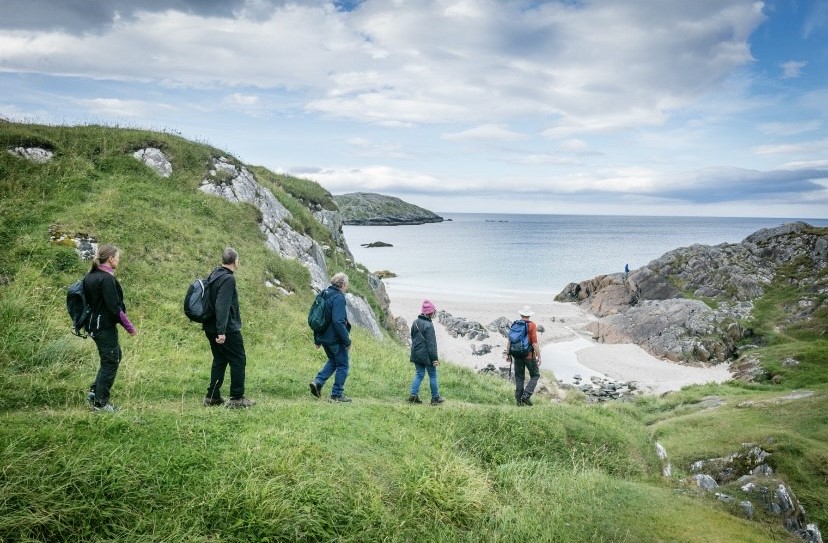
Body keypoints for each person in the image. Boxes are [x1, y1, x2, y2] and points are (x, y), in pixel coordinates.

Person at [83, 244, 136, 412]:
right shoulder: (107, 279)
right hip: (103, 326)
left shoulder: (90, 276)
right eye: (118, 257)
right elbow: (115, 308)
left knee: (114, 356)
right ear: (111, 258)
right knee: (111, 360)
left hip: (93, 324)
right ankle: (101, 403)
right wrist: (130, 327)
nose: (119, 260)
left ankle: (94, 392)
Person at [203, 247, 255, 408]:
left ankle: (212, 396)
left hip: (210, 326)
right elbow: (222, 306)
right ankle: (237, 398)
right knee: (239, 359)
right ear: (235, 261)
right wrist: (222, 331)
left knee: (220, 360)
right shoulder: (228, 279)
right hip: (226, 329)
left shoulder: (214, 275)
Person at [309, 272, 352, 402]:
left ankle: (318, 382)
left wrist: (317, 339)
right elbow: (338, 321)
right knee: (343, 365)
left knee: (333, 361)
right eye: (346, 284)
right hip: (334, 339)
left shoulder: (323, 293)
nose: (346, 286)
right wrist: (347, 341)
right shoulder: (339, 298)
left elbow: (316, 317)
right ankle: (337, 395)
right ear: (342, 284)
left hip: (323, 337)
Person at [408, 300, 444, 405]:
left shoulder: (415, 322)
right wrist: (435, 359)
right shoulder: (429, 325)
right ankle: (435, 398)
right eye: (433, 312)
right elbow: (432, 345)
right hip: (427, 356)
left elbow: (413, 337)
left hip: (415, 353)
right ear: (430, 313)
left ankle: (413, 395)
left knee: (419, 374)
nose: (434, 314)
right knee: (432, 375)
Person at [505, 305, 541, 406]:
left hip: (516, 355)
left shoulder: (515, 324)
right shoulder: (532, 325)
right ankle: (526, 396)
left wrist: (508, 354)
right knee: (535, 375)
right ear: (529, 315)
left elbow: (510, 341)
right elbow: (534, 343)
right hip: (529, 355)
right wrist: (539, 356)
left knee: (519, 378)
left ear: (521, 314)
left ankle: (519, 402)